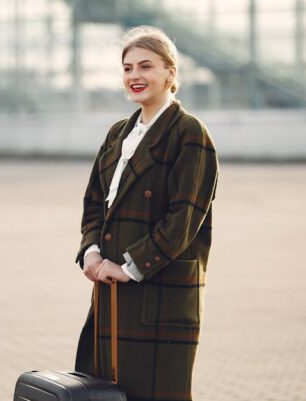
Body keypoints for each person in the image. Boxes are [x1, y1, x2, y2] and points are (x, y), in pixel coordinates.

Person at [74, 26, 219, 401]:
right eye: (127, 68)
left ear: (171, 72)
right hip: (110, 293)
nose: (134, 76)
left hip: (159, 293)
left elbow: (184, 218)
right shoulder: (117, 134)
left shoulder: (189, 133)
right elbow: (94, 202)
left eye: (145, 66)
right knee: (106, 393)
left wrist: (128, 267)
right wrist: (91, 252)